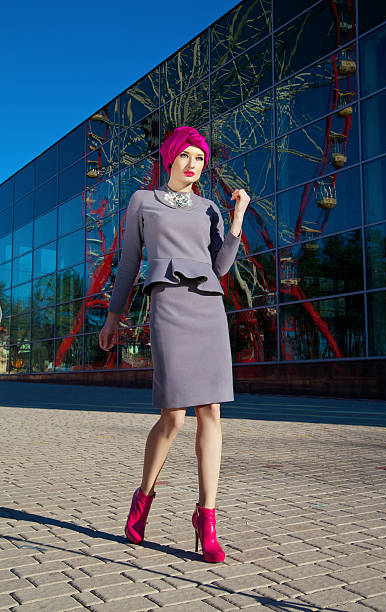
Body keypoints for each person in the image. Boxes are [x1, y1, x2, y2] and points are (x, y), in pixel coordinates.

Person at [99, 125, 250, 563]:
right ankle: (143, 497)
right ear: (170, 158)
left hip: (207, 310)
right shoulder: (142, 202)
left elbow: (220, 265)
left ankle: (207, 520)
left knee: (212, 412)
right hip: (167, 305)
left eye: (199, 158)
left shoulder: (209, 209)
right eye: (185, 155)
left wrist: (236, 218)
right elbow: (128, 261)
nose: (192, 164)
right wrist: (114, 315)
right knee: (173, 417)